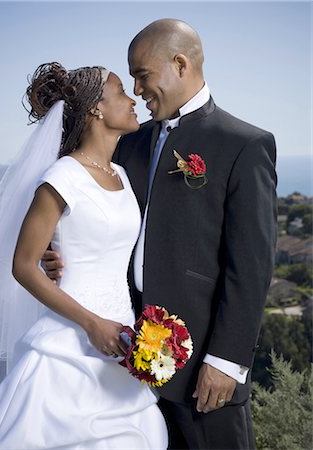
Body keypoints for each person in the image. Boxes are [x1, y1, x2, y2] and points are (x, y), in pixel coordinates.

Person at [44, 19, 278, 450]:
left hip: (203, 372)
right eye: (130, 77)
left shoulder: (244, 144)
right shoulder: (130, 141)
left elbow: (251, 265)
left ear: (180, 64)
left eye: (142, 74)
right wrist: (52, 252)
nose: (135, 89)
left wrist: (226, 361)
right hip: (125, 364)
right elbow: (88, 210)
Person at [0, 62, 168, 449]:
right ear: (97, 108)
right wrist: (92, 324)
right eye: (120, 92)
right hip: (70, 340)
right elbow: (23, 266)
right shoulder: (62, 177)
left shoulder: (121, 174)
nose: (132, 100)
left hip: (124, 341)